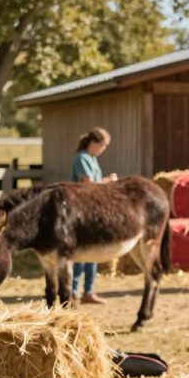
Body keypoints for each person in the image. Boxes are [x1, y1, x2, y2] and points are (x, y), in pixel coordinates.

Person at [71, 127, 118, 305]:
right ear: (94, 143)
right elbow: (88, 184)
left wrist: (105, 180)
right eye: (103, 146)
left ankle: (88, 291)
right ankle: (74, 290)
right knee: (81, 252)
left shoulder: (91, 159)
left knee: (93, 252)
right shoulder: (81, 159)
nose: (103, 149)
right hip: (82, 209)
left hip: (92, 209)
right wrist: (108, 181)